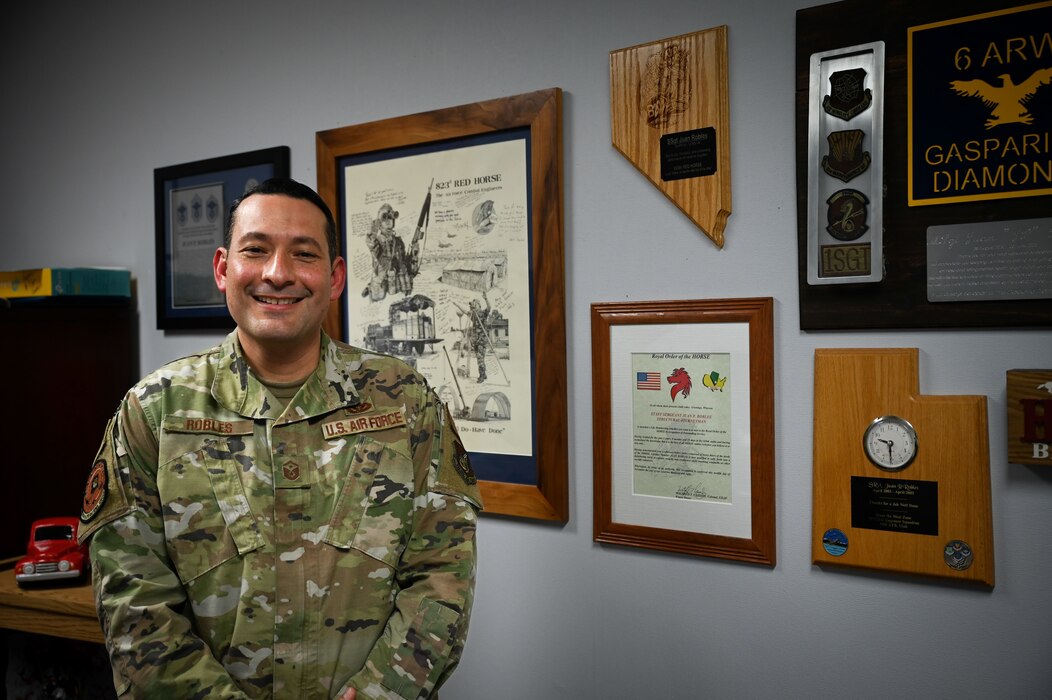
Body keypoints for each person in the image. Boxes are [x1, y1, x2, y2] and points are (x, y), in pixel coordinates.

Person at [78, 178, 482, 699]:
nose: (278, 273)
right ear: (223, 268)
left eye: (303, 254)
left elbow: (441, 576)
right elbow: (135, 608)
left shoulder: (403, 402)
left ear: (334, 278)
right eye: (256, 250)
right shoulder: (155, 413)